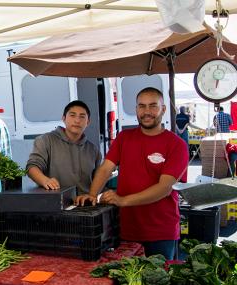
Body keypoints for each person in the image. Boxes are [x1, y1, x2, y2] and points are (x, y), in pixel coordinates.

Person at [75, 87, 188, 260]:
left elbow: (165, 188)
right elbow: (106, 168)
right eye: (141, 106)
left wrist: (122, 200)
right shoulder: (124, 138)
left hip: (161, 232)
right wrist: (92, 194)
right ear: (136, 109)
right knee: (125, 284)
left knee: (158, 284)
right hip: (126, 229)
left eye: (153, 106)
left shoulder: (177, 145)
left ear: (163, 109)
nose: (147, 112)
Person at [26, 100, 102, 194]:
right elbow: (32, 167)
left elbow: (99, 180)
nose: (77, 120)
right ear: (63, 118)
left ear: (88, 122)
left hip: (86, 205)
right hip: (55, 204)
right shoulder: (46, 140)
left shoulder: (93, 150)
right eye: (72, 115)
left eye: (82, 117)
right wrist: (45, 180)